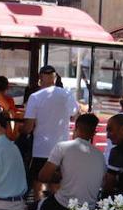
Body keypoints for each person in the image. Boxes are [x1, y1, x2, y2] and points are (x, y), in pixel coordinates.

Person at [23, 65, 80, 198]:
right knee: (56, 183)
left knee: (38, 182)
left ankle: (38, 209)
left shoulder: (35, 97)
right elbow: (74, 114)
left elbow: (28, 127)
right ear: (55, 78)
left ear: (40, 79)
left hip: (40, 148)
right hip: (61, 148)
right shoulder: (67, 94)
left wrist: (19, 129)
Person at [37, 113, 106, 210]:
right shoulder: (101, 156)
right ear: (93, 133)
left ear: (75, 127)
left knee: (36, 207)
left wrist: (60, 176)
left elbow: (43, 177)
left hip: (63, 206)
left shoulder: (62, 147)